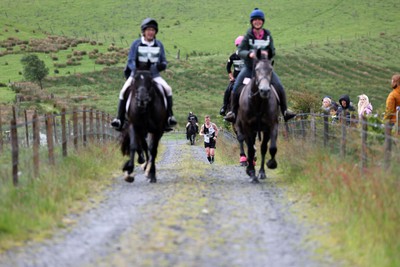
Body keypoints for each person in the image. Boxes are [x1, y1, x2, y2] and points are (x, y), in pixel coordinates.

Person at [224, 8, 296, 123]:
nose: (257, 22)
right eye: (255, 20)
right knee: (236, 86)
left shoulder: (267, 35)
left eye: (259, 20)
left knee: (279, 86)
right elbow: (241, 51)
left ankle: (285, 111)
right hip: (249, 67)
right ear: (252, 22)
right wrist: (250, 54)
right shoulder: (248, 35)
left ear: (262, 21)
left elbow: (273, 50)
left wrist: (268, 53)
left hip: (264, 68)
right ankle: (232, 112)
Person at [111, 18, 177, 131]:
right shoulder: (136, 44)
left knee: (167, 89)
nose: (151, 32)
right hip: (137, 75)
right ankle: (119, 119)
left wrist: (162, 66)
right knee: (123, 91)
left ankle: (169, 117)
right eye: (148, 30)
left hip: (154, 75)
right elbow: (130, 60)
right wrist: (135, 70)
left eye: (153, 30)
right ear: (144, 31)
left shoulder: (159, 45)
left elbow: (163, 61)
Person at [219, 36, 245, 116]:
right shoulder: (233, 57)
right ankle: (225, 107)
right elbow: (228, 67)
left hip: (247, 78)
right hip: (236, 78)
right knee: (228, 89)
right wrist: (231, 77)